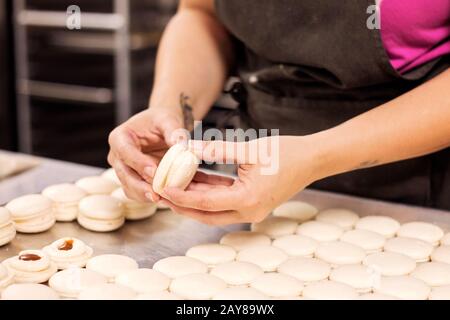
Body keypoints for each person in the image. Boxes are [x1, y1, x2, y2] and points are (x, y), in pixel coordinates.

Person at [108, 0, 450, 225]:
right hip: (251, 178)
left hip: (417, 185)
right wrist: (170, 110)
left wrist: (315, 158)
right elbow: (201, 13)